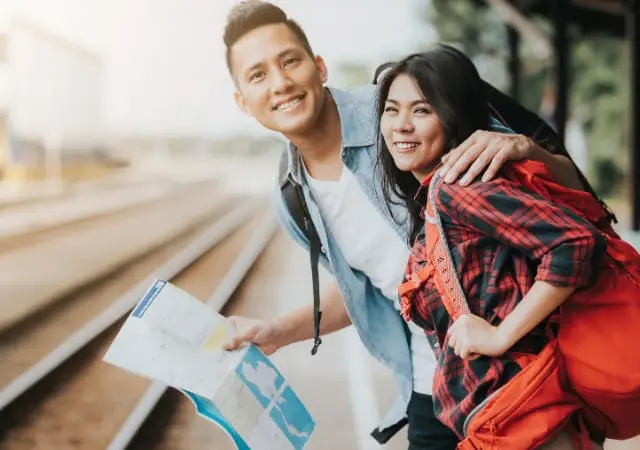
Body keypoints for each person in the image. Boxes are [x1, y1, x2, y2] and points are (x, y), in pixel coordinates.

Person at [219, 2, 586, 448]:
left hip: (522, 377)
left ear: (318, 66)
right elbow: (370, 289)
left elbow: (569, 197)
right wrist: (278, 330)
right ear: (242, 101)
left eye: (290, 61)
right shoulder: (292, 196)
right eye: (257, 75)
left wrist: (527, 149)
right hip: (435, 388)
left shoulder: (402, 108)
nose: (280, 83)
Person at [377, 45, 615, 447]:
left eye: (421, 110)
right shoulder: (436, 200)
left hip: (526, 418)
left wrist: (500, 336)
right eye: (391, 109)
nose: (401, 125)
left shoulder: (457, 189)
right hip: (501, 420)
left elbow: (575, 244)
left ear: (454, 119)